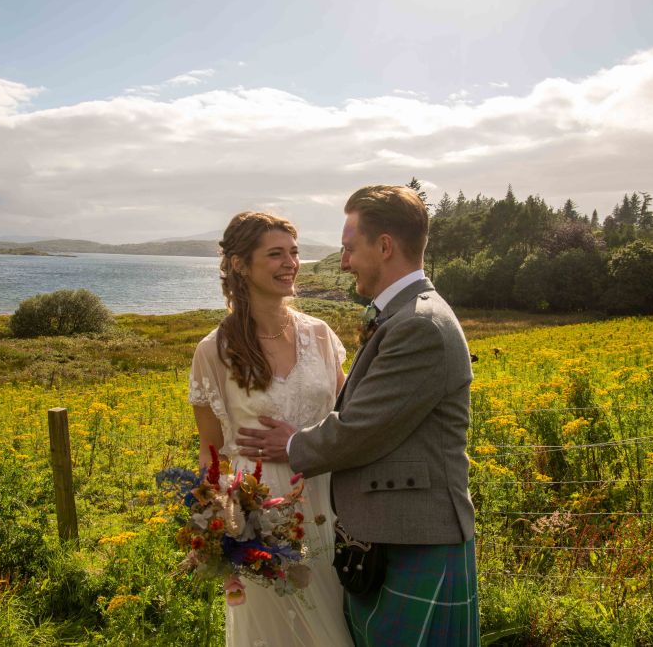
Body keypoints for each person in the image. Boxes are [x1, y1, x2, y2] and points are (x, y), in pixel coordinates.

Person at [236, 185, 479, 646]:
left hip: (415, 538)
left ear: (384, 246)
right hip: (392, 534)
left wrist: (291, 444)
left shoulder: (419, 325)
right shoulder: (403, 315)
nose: (344, 262)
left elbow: (364, 428)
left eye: (349, 249)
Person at [188, 211, 354, 647]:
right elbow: (210, 455)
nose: (291, 264)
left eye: (294, 253)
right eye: (276, 254)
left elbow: (350, 419)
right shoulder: (214, 350)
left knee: (337, 623)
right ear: (240, 265)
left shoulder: (320, 336)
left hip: (329, 498)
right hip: (259, 516)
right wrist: (218, 525)